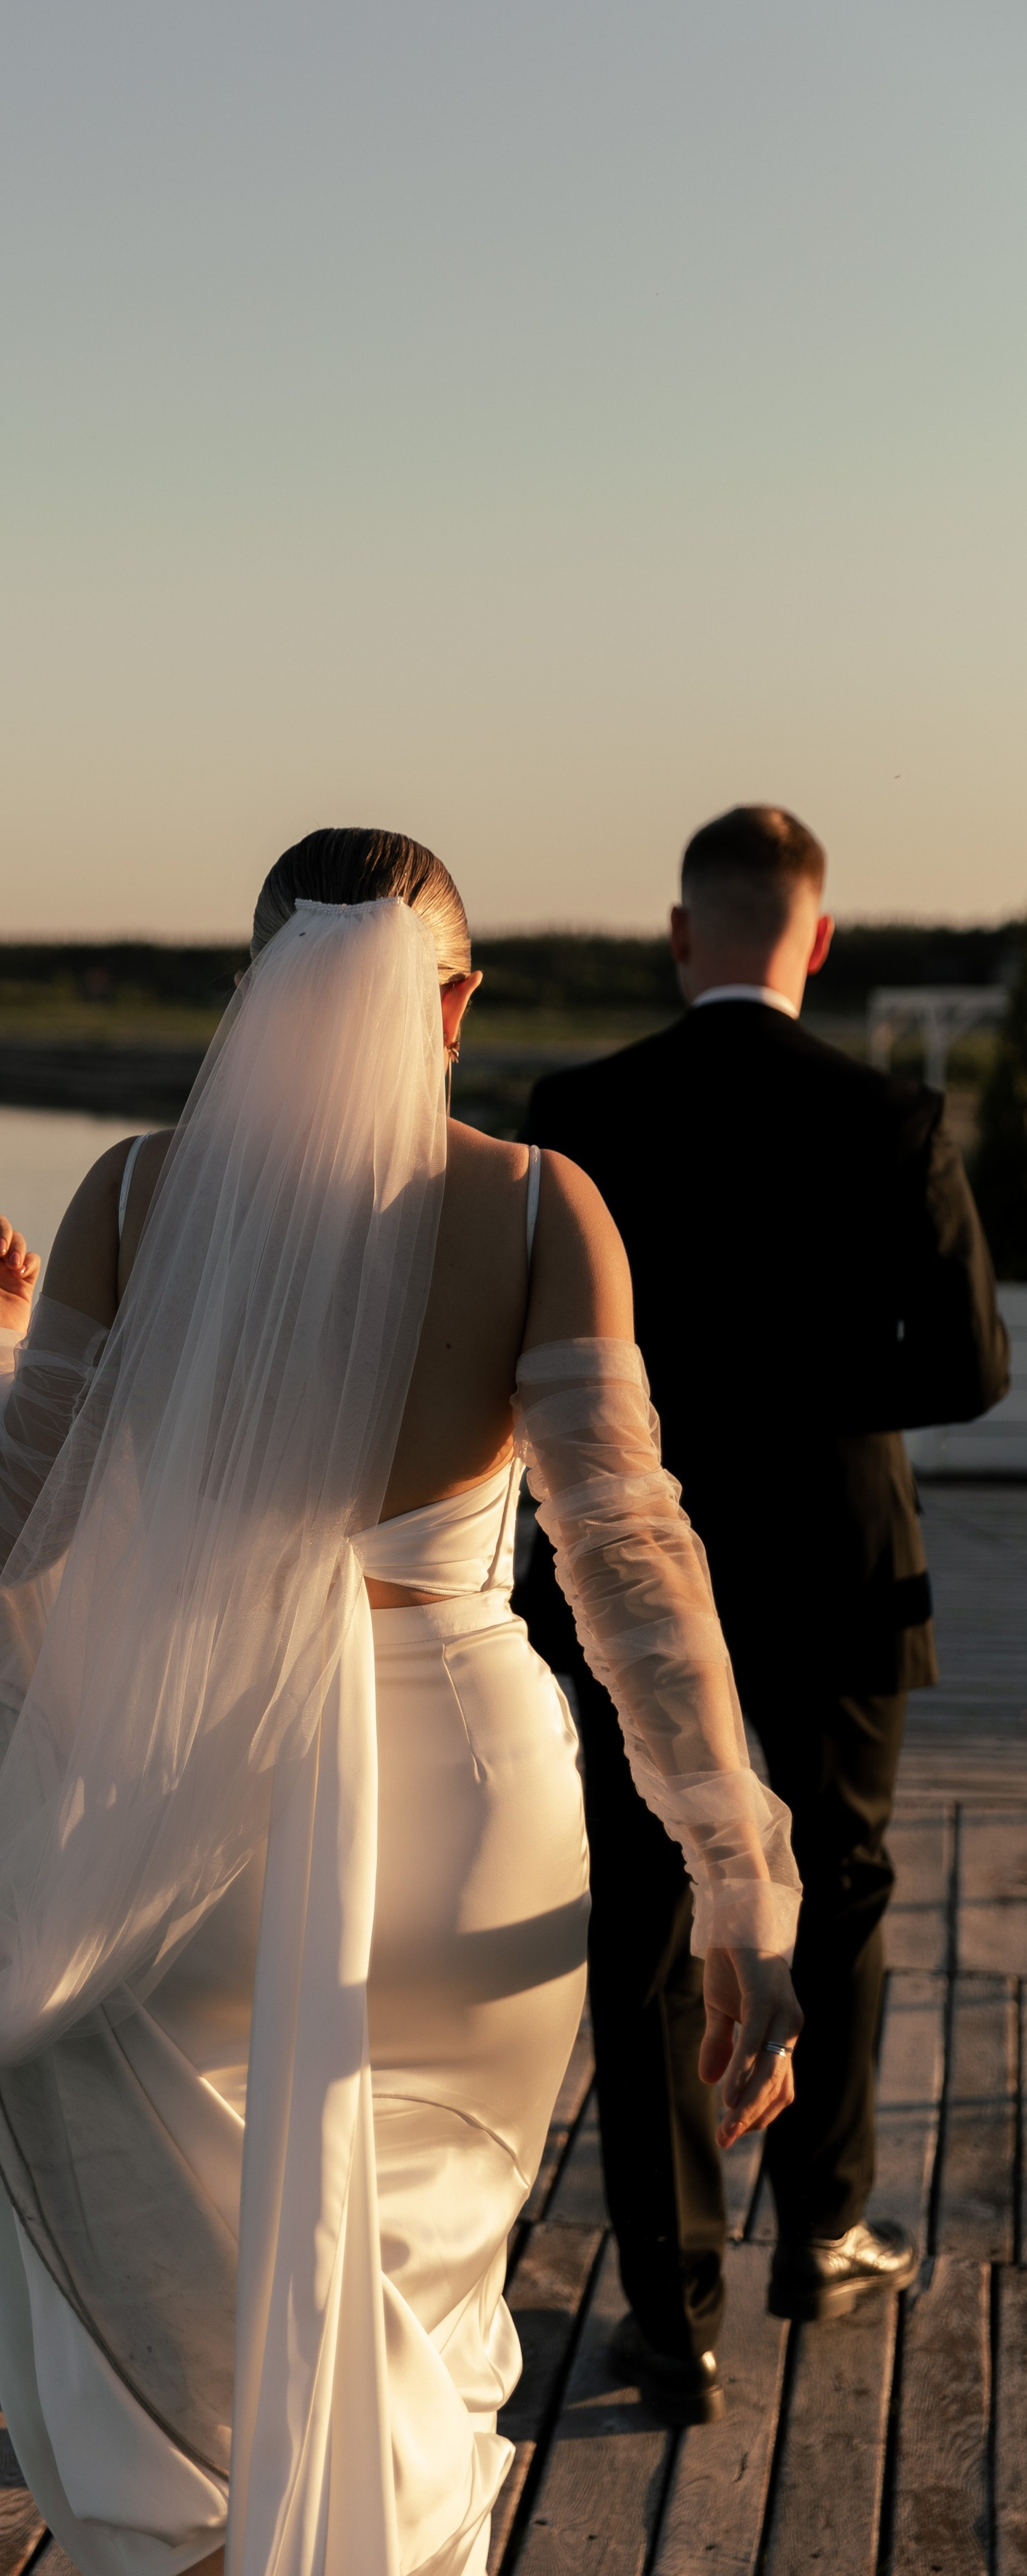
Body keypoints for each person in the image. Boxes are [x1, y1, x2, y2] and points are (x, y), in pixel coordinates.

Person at [0, 829, 802, 2576]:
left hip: (206, 1819)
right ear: (458, 1002)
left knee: (217, 2323)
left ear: (247, 998)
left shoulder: (127, 1196)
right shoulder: (538, 1206)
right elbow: (632, 1572)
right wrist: (738, 1888)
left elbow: (12, 1541)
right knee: (419, 2294)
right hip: (476, 1816)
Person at [518, 804, 1010, 2426]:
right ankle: (825, 2229)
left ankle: (672, 2317)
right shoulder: (889, 1114)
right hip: (838, 1573)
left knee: (649, 1921)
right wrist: (805, 1384)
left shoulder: (578, 1111)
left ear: (680, 937)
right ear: (814, 938)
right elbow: (963, 1372)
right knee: (844, 1893)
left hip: (631, 1596)